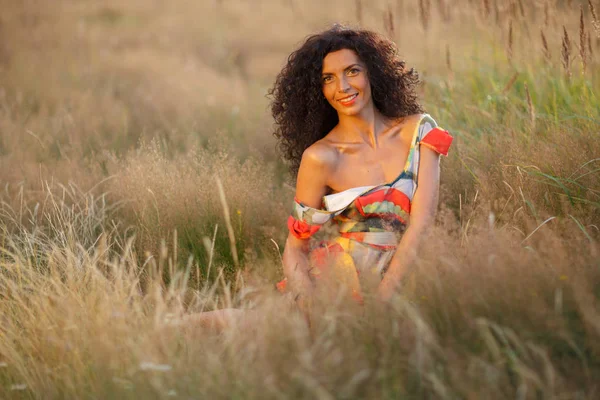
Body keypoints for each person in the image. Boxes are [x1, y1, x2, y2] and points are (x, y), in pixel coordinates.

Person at [269, 25, 453, 316]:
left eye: (352, 71)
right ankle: (172, 326)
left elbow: (422, 223)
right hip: (336, 286)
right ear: (319, 90)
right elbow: (295, 247)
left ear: (373, 73)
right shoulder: (320, 158)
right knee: (243, 325)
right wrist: (310, 304)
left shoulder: (419, 131)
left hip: (406, 283)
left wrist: (383, 300)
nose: (342, 87)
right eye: (328, 78)